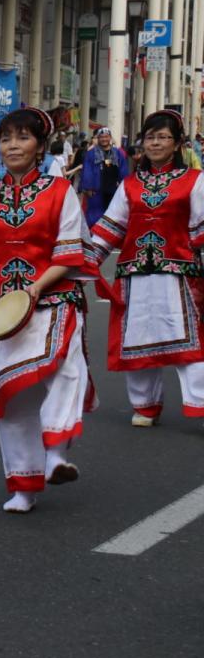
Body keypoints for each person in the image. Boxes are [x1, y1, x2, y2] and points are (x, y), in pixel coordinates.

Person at [0, 107, 95, 514]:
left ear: (40, 146)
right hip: (1, 310)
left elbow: (70, 251)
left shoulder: (59, 191)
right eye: (7, 138)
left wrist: (35, 287)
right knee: (11, 397)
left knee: (66, 369)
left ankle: (55, 455)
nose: (13, 145)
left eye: (23, 137)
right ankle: (23, 486)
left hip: (53, 299)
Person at [87, 109, 204, 428]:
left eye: (163, 137)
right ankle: (145, 405)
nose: (155, 143)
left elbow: (201, 227)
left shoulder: (194, 181)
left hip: (178, 273)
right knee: (138, 336)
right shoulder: (130, 185)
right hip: (134, 274)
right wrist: (84, 261)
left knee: (190, 341)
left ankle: (201, 403)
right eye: (150, 137)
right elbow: (110, 227)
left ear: (178, 143)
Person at [80, 126, 129, 228]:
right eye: (101, 137)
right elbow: (87, 170)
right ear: (98, 138)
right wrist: (88, 187)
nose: (104, 139)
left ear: (110, 138)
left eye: (106, 137)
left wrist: (125, 185)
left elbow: (123, 169)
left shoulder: (118, 152)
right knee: (95, 213)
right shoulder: (91, 153)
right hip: (97, 189)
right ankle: (94, 234)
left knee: (114, 213)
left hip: (113, 188)